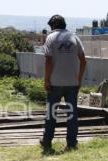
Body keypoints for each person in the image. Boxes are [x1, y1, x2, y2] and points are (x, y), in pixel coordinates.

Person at [40, 15, 87, 151]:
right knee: (72, 115)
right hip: (72, 83)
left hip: (55, 83)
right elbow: (83, 60)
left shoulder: (51, 38)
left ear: (53, 26)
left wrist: (47, 79)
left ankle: (47, 142)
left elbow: (48, 60)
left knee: (51, 113)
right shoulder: (74, 37)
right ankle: (72, 144)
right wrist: (79, 79)